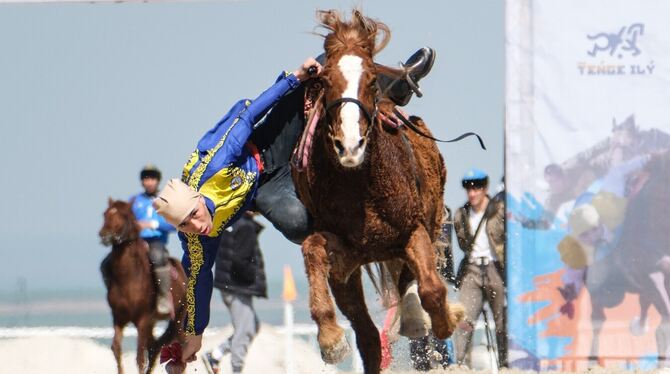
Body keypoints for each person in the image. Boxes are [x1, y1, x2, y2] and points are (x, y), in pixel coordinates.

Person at [153, 49, 437, 365]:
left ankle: (400, 81)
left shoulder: (217, 161)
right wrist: (194, 334)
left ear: (195, 199)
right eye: (185, 226)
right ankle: (349, 240)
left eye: (194, 216)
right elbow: (198, 282)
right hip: (262, 189)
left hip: (267, 145)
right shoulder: (195, 239)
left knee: (323, 70)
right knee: (299, 227)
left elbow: (249, 114)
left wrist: (294, 78)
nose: (197, 225)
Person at [452, 168, 507, 368]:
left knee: (502, 323)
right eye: (469, 188)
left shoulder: (499, 210)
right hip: (472, 270)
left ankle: (506, 364)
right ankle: (460, 366)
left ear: (485, 188)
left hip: (495, 268)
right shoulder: (461, 214)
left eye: (476, 188)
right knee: (463, 321)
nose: (472, 192)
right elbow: (461, 243)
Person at [201, 211, 267, 374]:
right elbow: (241, 261)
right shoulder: (246, 226)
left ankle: (215, 354)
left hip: (228, 285)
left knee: (252, 326)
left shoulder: (229, 222)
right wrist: (253, 280)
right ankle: (236, 369)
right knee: (244, 330)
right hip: (238, 286)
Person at [129, 164, 176, 315]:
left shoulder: (165, 200)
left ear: (158, 181)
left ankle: (163, 297)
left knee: (158, 257)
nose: (149, 182)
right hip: (137, 241)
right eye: (146, 178)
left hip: (156, 241)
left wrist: (152, 224)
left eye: (152, 178)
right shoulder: (134, 201)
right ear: (142, 181)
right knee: (110, 262)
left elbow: (174, 224)